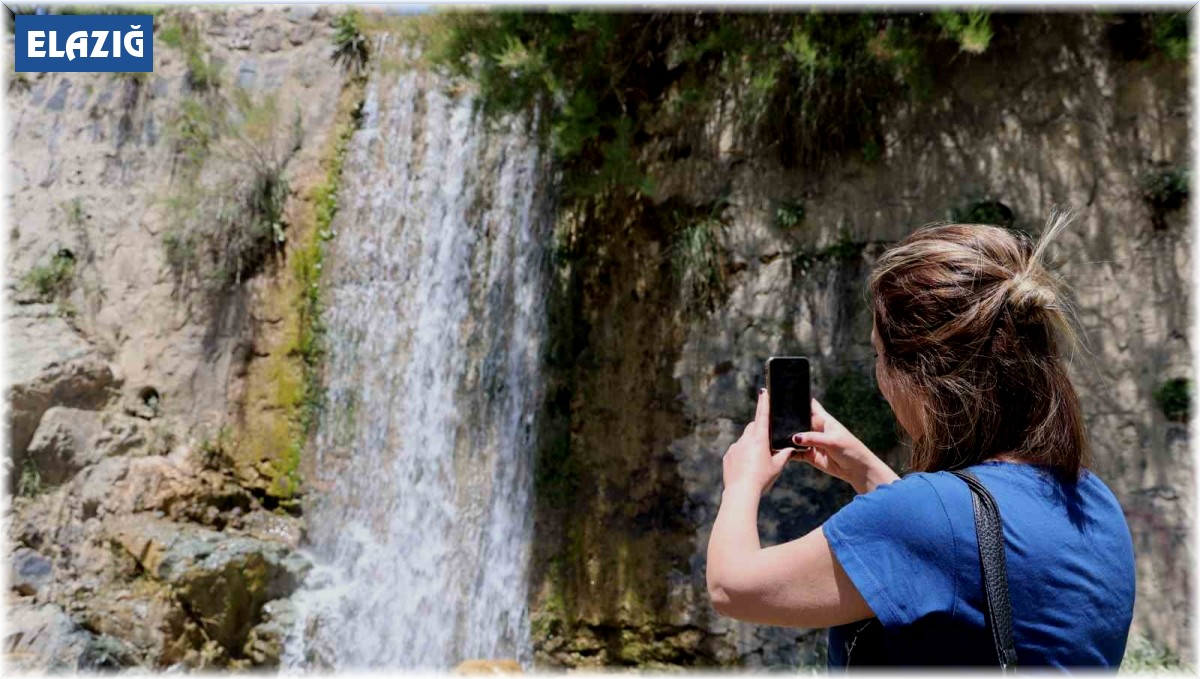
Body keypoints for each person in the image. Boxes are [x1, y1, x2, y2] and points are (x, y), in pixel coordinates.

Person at [705, 214, 1136, 668]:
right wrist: (865, 472)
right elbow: (963, 571)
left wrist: (742, 482)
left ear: (918, 375)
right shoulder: (1093, 499)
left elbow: (732, 587)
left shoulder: (925, 519)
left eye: (879, 354)